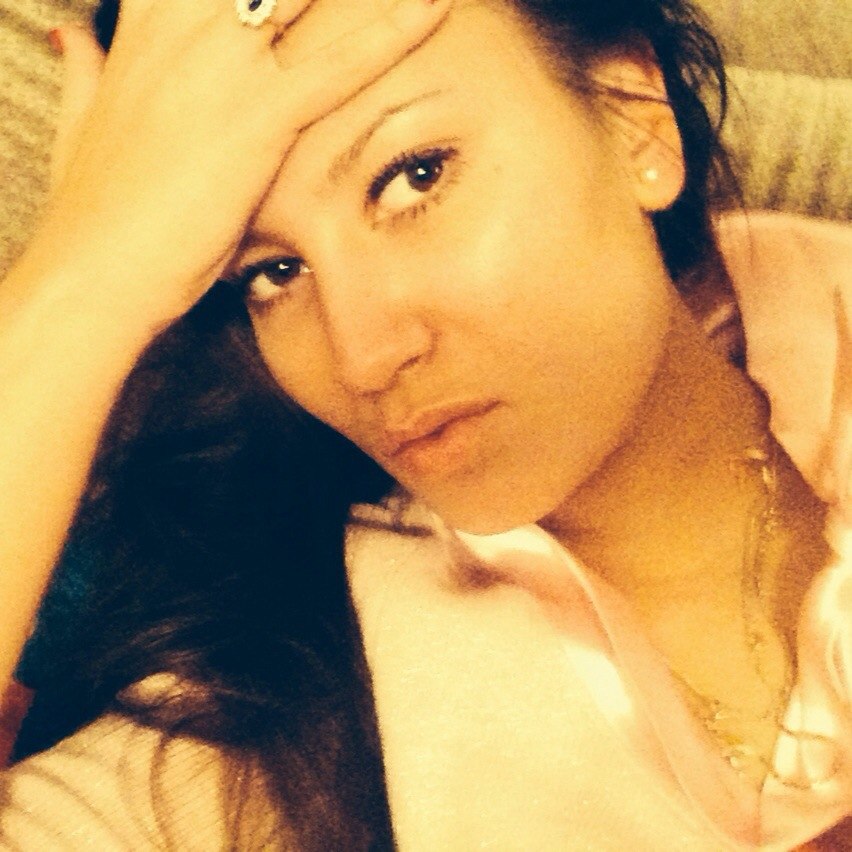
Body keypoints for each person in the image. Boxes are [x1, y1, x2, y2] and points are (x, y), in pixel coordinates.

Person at [0, 0, 849, 847]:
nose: (364, 357)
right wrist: (81, 288)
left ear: (637, 119)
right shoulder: (273, 731)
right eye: (273, 273)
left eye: (414, 177)